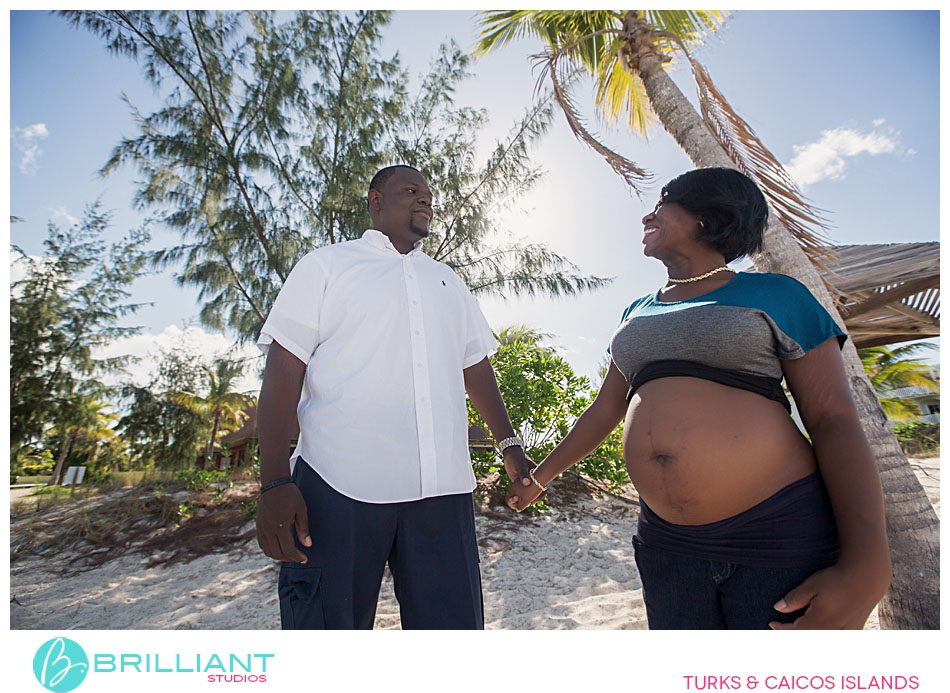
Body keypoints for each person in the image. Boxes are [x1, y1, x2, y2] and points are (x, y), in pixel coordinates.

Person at [506, 167, 891, 630]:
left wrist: (869, 567)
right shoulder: (637, 311)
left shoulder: (777, 295)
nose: (647, 214)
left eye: (663, 201)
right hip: (667, 545)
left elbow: (832, 418)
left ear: (706, 217)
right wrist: (541, 477)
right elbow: (605, 409)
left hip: (774, 534)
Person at [255, 164, 533, 630]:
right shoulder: (326, 265)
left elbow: (476, 368)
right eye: (410, 190)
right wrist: (274, 483)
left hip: (442, 491)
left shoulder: (449, 281)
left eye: (428, 194)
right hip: (335, 487)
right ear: (375, 199)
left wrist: (511, 448)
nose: (424, 199)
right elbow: (283, 370)